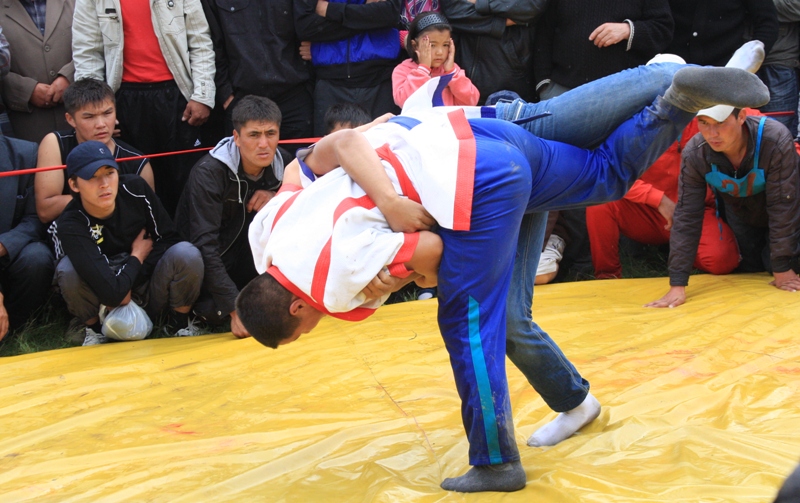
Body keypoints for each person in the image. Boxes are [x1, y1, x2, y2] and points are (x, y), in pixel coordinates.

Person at [237, 64, 770, 492]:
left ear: (295, 309)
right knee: (595, 178)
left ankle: (495, 462)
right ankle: (668, 89)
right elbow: (329, 152)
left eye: (306, 330)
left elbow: (433, 248)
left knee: (468, 321)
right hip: (474, 134)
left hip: (476, 183)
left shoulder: (331, 283)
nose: (317, 327)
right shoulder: (268, 232)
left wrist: (402, 257)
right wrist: (387, 203)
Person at [646, 103, 800, 309]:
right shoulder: (696, 153)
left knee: (781, 268)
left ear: (741, 117)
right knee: (751, 271)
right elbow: (687, 216)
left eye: (721, 123)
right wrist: (677, 283)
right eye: (704, 123)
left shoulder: (774, 139)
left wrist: (782, 266)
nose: (712, 133)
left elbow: (784, 205)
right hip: (741, 212)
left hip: (789, 210)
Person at [50, 141, 203, 346]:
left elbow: (168, 239)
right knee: (67, 270)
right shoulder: (71, 222)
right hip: (103, 299)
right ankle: (95, 330)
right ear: (74, 185)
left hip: (144, 282)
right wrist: (136, 255)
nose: (104, 184)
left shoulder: (135, 188)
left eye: (109, 173)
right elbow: (112, 295)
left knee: (186, 253)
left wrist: (127, 278)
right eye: (92, 177)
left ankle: (177, 323)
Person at [72, 0, 216, 216]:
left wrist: (203, 96)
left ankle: (191, 245)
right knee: (136, 180)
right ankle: (148, 241)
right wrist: (100, 113)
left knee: (188, 179)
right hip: (123, 98)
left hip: (178, 94)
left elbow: (200, 40)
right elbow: (87, 52)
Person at [175, 96, 288, 338]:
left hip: (249, 263)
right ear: (236, 138)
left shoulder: (286, 166)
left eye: (271, 133)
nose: (264, 144)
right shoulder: (209, 173)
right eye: (254, 135)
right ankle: (178, 320)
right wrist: (234, 309)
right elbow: (204, 245)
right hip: (206, 268)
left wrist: (278, 195)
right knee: (208, 304)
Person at [586, 118, 740, 279]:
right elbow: (607, 172)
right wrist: (657, 199)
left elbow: (748, 117)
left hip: (694, 211)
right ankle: (607, 276)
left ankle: (679, 254)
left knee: (723, 262)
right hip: (643, 211)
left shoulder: (705, 119)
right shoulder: (634, 120)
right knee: (599, 202)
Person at [35, 78, 154, 224]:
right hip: (69, 235)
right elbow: (46, 210)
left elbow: (148, 217)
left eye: (107, 113)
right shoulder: (55, 143)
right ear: (71, 119)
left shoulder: (137, 161)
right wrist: (107, 197)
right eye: (89, 117)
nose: (101, 124)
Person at [200, 0, 313, 140]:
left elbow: (311, 24)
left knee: (296, 161)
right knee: (247, 161)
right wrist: (226, 95)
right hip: (242, 99)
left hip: (294, 97)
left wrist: (315, 48)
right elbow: (210, 43)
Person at [295, 0, 402, 136]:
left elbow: (389, 13)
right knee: (328, 152)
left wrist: (330, 10)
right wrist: (368, 16)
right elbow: (305, 27)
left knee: (380, 150)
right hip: (330, 80)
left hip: (380, 78)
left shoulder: (329, 8)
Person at [0, 135, 53, 341]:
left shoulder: (27, 153)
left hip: (9, 251)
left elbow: (35, 218)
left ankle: (17, 327)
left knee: (37, 257)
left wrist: (5, 244)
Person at [440, 0, 544, 103]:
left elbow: (531, 6)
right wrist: (501, 22)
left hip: (509, 72)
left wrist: (480, 2)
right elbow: (453, 10)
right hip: (461, 73)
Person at [0, 0, 74, 142]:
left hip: (77, 119)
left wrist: (69, 77)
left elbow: (94, 46)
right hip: (25, 127)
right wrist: (27, 91)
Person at [392, 12, 479, 108]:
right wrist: (423, 70)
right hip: (420, 122)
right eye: (432, 45)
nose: (440, 52)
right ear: (414, 45)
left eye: (445, 45)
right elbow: (403, 102)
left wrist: (452, 73)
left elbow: (472, 101)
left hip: (449, 121)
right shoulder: (403, 70)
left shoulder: (452, 70)